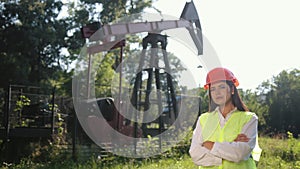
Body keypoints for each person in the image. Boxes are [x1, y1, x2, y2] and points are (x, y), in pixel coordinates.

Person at [189, 67, 262, 169]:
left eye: (222, 87)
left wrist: (210, 145)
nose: (217, 92)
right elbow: (195, 154)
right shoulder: (203, 119)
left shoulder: (249, 119)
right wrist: (230, 148)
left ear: (232, 89)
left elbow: (240, 153)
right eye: (213, 89)